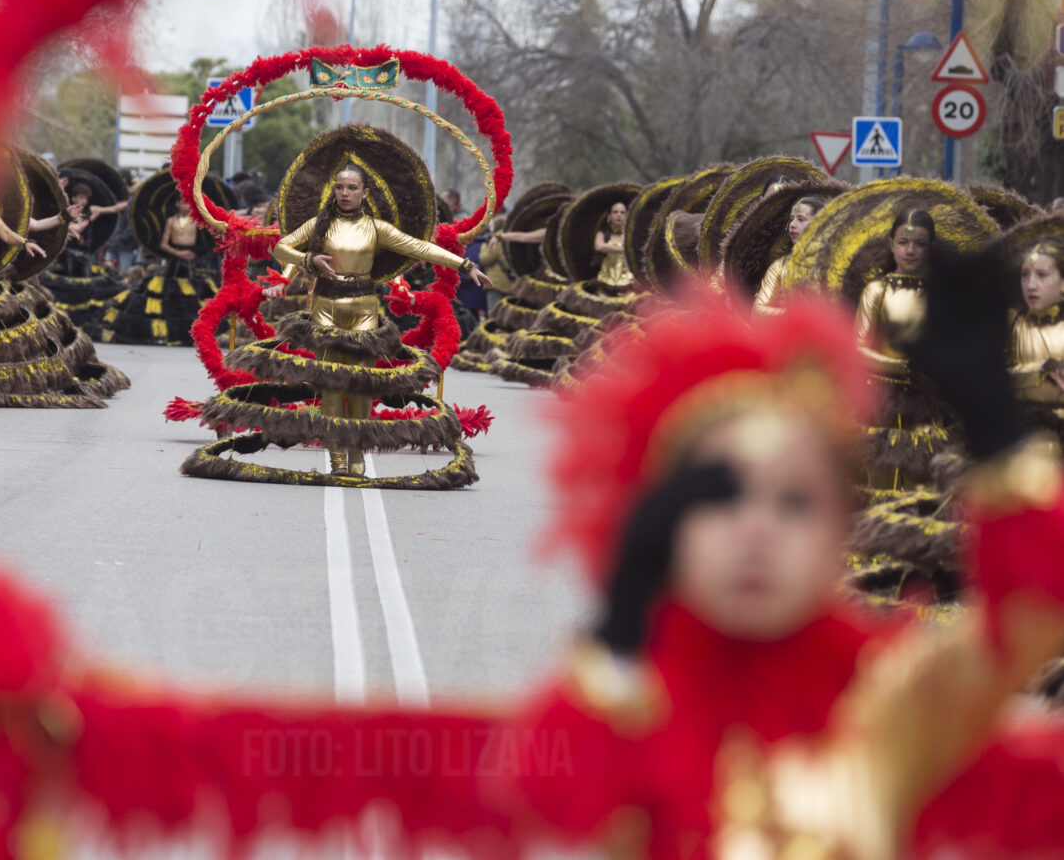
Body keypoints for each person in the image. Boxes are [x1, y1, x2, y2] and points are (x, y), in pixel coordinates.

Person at [64, 283, 1064, 860]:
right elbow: (540, 794)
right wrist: (622, 634)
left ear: (841, 523)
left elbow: (1024, 627)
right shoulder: (616, 702)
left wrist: (1004, 441)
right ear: (657, 524)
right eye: (716, 499)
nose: (757, 532)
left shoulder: (890, 700)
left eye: (794, 504)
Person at [272, 163, 491, 476]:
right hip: (325, 307)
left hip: (363, 308)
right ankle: (336, 459)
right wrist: (308, 259)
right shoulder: (319, 224)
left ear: (365, 193)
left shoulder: (376, 228)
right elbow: (281, 246)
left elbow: (420, 247)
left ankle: (356, 453)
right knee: (330, 385)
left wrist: (465, 266)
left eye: (352, 188)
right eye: (339, 187)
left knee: (360, 385)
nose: (344, 193)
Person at [855, 204, 949, 491]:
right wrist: (900, 367)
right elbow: (857, 349)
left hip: (930, 405)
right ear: (891, 244)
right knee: (882, 486)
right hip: (883, 405)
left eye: (919, 243)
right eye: (903, 242)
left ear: (931, 247)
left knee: (924, 489)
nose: (910, 250)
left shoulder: (943, 296)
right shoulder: (876, 291)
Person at [1008, 238, 1064, 447]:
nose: (1030, 285)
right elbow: (990, 378)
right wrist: (1039, 370)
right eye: (1025, 275)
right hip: (1023, 438)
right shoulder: (1012, 322)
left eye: (1042, 275)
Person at [753, 193, 828, 313]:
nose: (792, 225)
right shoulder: (779, 266)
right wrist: (791, 316)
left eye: (801, 219)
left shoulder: (836, 267)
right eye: (791, 219)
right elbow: (757, 313)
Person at [593, 200, 633, 292]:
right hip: (605, 280)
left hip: (628, 282)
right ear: (609, 216)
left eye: (622, 212)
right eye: (615, 212)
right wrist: (623, 249)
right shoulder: (601, 234)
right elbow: (599, 247)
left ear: (626, 216)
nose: (619, 215)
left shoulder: (630, 235)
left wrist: (608, 248)